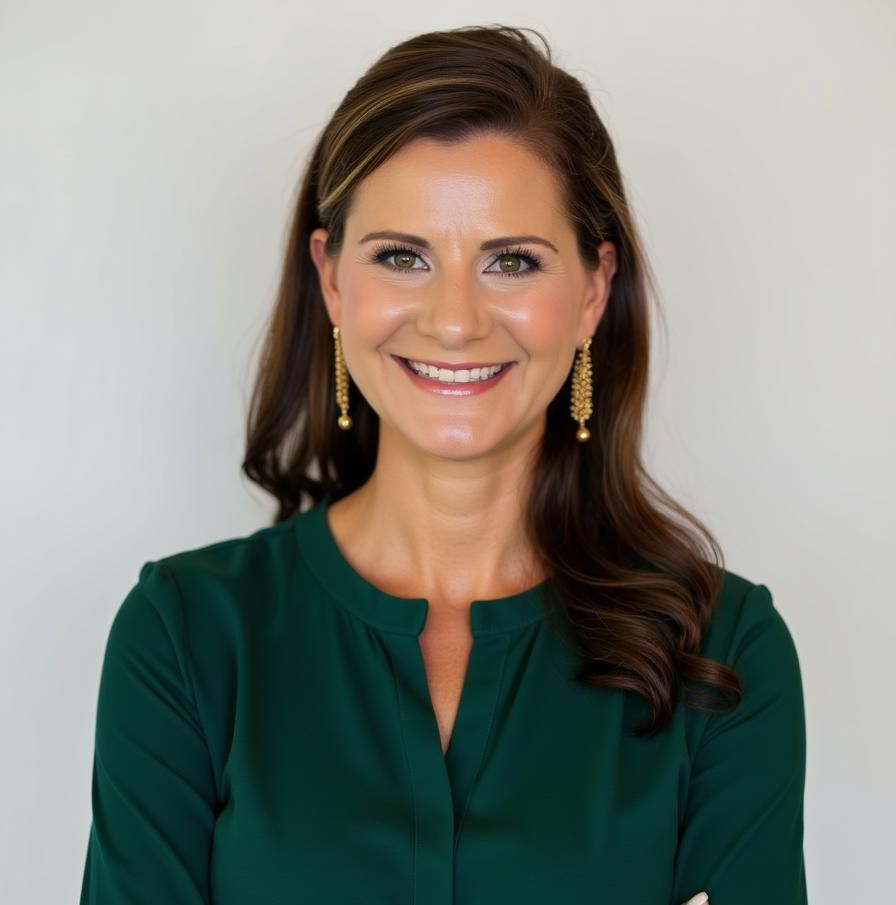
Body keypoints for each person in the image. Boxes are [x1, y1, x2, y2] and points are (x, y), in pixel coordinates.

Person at [79, 24, 808, 905]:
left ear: (590, 289)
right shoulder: (186, 638)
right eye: (402, 256)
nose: (455, 320)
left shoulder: (724, 651)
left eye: (510, 261)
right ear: (333, 279)